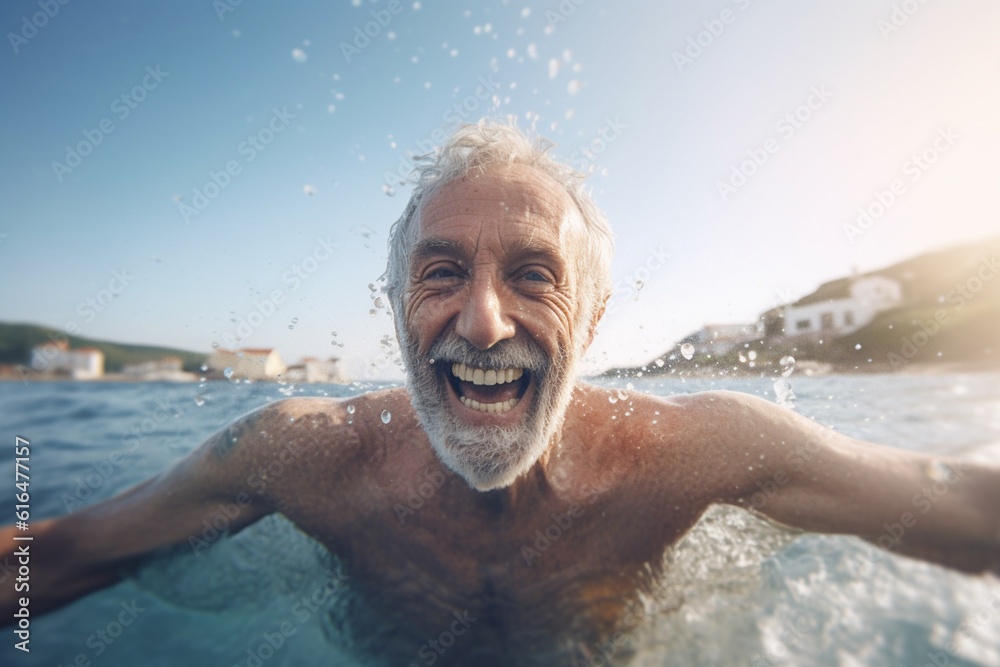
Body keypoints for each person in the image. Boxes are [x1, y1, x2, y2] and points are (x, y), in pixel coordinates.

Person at [3, 121, 998, 666]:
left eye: (533, 273)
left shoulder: (699, 449)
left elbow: (954, 501)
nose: (482, 322)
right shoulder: (298, 455)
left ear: (595, 322)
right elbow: (66, 556)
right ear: (396, 309)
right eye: (441, 273)